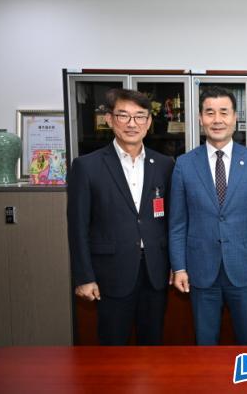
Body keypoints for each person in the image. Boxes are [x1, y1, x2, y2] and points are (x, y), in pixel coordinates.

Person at [67, 88, 174, 345]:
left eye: (139, 116)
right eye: (123, 115)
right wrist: (84, 277)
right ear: (109, 119)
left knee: (153, 347)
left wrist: (175, 264)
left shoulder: (165, 165)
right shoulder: (87, 166)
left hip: (155, 272)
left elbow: (172, 220)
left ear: (149, 121)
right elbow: (77, 228)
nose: (132, 123)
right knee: (112, 350)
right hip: (110, 274)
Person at [169, 86, 247, 345]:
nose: (217, 119)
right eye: (210, 112)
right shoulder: (184, 164)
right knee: (205, 344)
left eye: (224, 112)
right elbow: (178, 223)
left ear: (235, 118)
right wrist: (179, 267)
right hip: (201, 269)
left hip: (245, 267)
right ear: (200, 118)